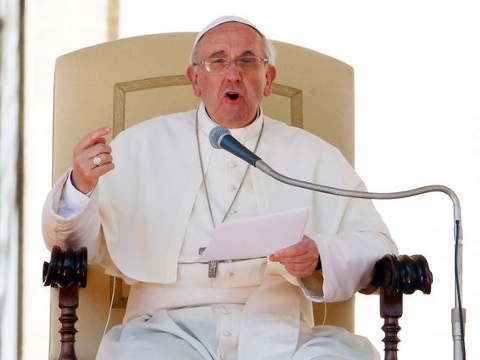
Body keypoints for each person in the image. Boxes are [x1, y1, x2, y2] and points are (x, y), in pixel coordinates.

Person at [42, 15, 398, 360]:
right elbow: (72, 246)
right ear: (195, 80)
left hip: (280, 327)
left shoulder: (313, 155)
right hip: (164, 329)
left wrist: (320, 254)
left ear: (268, 79)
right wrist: (81, 185)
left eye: (247, 61)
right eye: (218, 61)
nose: (233, 74)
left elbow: (378, 244)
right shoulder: (140, 146)